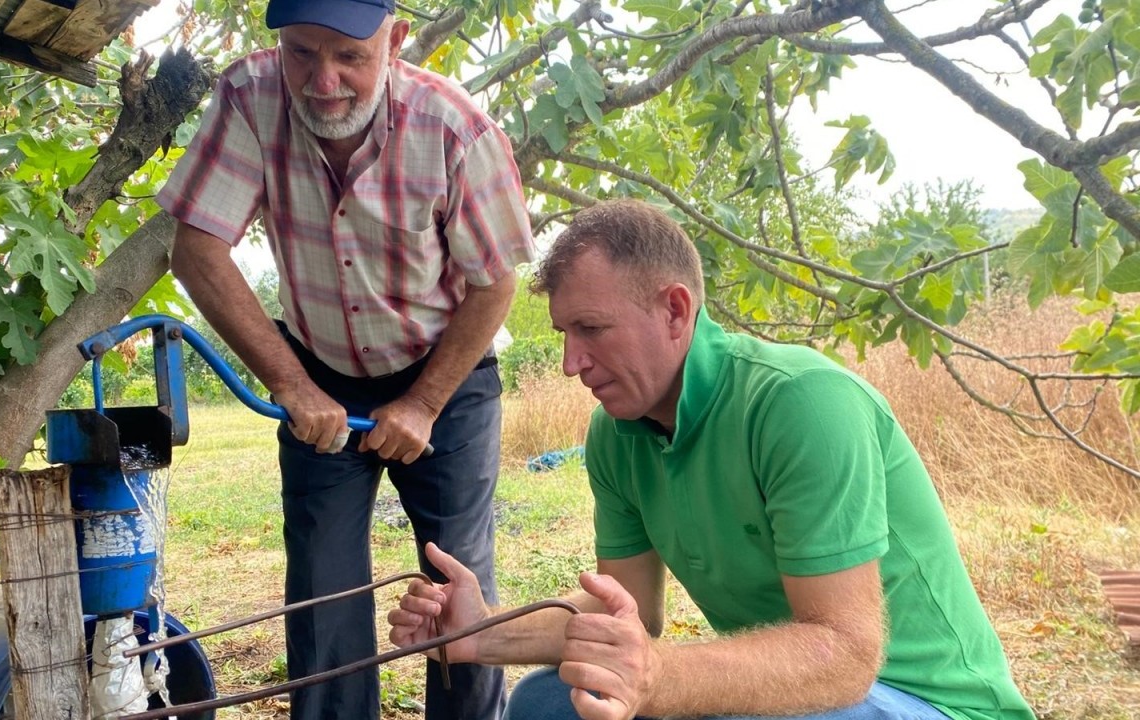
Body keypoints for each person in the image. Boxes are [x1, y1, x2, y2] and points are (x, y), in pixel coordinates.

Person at [388, 199, 1035, 720]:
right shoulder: (616, 434)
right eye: (564, 335)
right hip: (811, 694)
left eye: (591, 329)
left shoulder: (802, 403)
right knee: (545, 704)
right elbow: (631, 616)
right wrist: (481, 635)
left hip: (930, 702)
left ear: (674, 310)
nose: (570, 363)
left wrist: (661, 676)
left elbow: (843, 658)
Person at [158, 0, 535, 717]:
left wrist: (423, 403)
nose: (321, 80)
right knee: (322, 589)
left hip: (445, 375)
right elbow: (198, 248)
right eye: (301, 53)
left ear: (394, 41)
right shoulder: (247, 96)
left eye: (349, 58)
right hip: (316, 373)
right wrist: (291, 382)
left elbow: (496, 283)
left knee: (455, 585)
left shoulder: (454, 126)